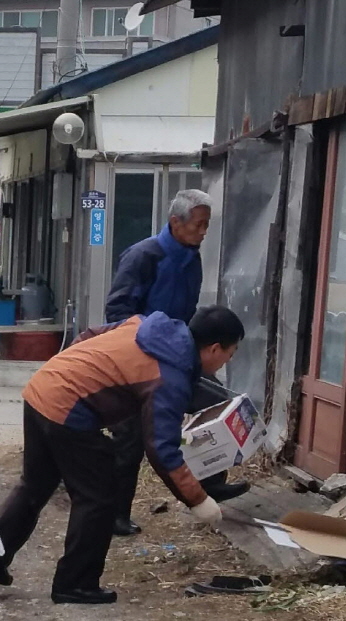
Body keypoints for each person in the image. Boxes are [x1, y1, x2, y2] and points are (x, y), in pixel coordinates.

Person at [0, 306, 245, 607]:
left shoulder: (146, 325)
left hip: (43, 387)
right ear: (214, 348)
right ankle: (76, 584)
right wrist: (199, 501)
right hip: (68, 411)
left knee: (34, 484)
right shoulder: (169, 375)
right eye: (230, 353)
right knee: (97, 496)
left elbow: (91, 335)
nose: (228, 361)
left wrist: (73, 373)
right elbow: (162, 449)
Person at [102, 189, 245, 533]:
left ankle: (211, 481)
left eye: (207, 225)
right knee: (131, 437)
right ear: (175, 222)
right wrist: (147, 343)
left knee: (217, 403)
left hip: (181, 353)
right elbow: (117, 311)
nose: (203, 232)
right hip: (141, 356)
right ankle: (115, 514)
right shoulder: (144, 256)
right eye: (198, 224)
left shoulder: (191, 257)